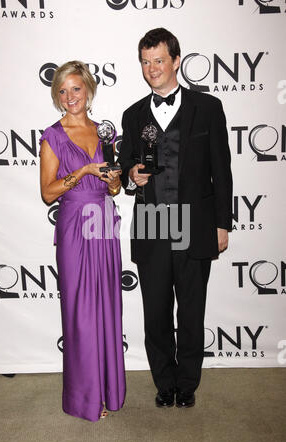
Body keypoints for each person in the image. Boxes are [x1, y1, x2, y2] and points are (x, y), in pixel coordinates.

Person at [118, 28, 232, 408]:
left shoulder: (208, 108)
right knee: (156, 314)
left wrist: (222, 223)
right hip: (152, 225)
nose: (152, 69)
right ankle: (164, 383)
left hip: (196, 225)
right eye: (146, 62)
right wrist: (131, 175)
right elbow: (125, 166)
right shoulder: (133, 114)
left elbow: (222, 169)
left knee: (192, 309)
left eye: (159, 60)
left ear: (176, 61)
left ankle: (187, 385)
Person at [40, 60, 125, 421]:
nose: (69, 96)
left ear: (88, 90)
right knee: (79, 312)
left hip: (104, 222)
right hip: (75, 224)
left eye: (76, 88)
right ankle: (85, 399)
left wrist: (112, 183)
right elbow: (48, 193)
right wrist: (86, 170)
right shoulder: (53, 135)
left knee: (106, 306)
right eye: (62, 90)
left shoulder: (105, 133)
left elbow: (116, 186)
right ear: (56, 97)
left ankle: (107, 391)